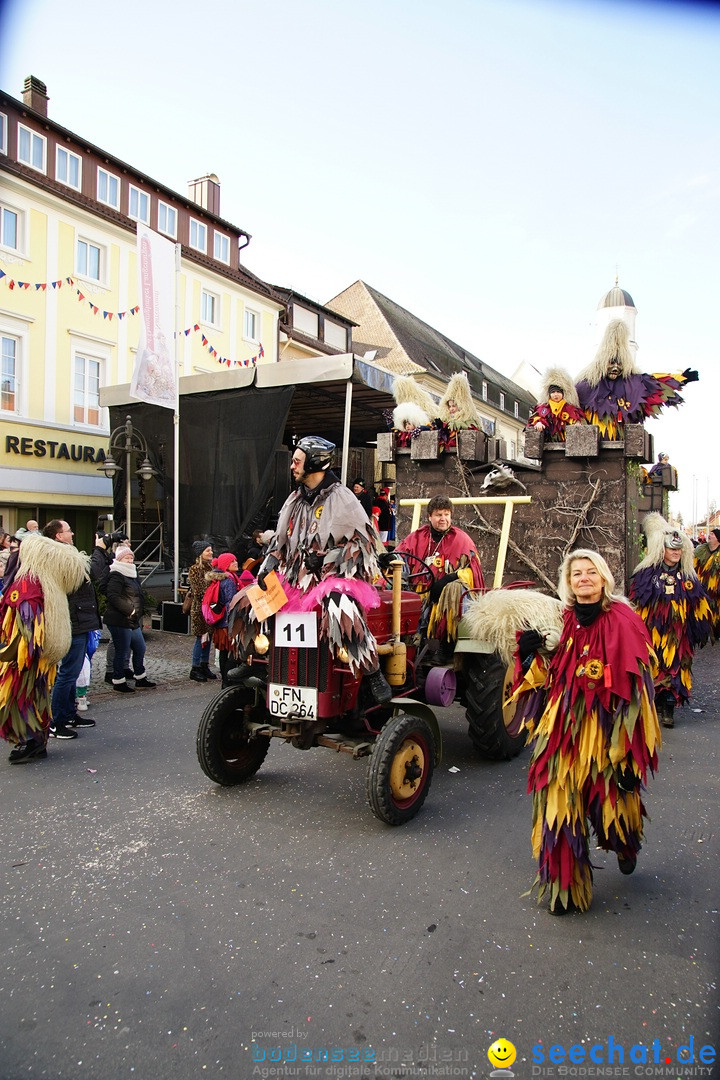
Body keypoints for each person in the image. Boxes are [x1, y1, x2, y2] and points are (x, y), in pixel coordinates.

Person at [513, 550, 661, 915]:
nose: (583, 578)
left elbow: (638, 694)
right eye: (576, 573)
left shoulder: (623, 620)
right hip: (562, 726)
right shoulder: (559, 621)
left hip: (608, 729)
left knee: (612, 803)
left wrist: (631, 754)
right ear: (568, 582)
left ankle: (626, 843)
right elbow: (542, 679)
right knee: (556, 802)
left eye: (590, 572)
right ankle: (566, 887)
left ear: (604, 578)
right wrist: (530, 655)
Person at [249, 436, 391, 702]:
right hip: (296, 578)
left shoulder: (343, 498)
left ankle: (373, 673)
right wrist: (269, 563)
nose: (292, 466)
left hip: (332, 578)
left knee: (340, 606)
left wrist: (328, 558)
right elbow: (280, 540)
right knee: (252, 599)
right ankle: (259, 663)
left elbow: (367, 544)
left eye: (297, 461)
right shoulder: (295, 499)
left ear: (314, 463)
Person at [0, 532, 88, 763]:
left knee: (20, 698)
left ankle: (30, 741)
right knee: (36, 698)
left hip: (25, 656)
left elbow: (28, 622)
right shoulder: (47, 580)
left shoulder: (30, 582)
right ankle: (35, 741)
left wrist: (20, 652)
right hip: (39, 656)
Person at [629, 514, 711, 729]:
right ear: (661, 550)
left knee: (676, 670)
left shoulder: (689, 577)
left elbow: (699, 607)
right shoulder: (646, 575)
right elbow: (636, 604)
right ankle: (653, 706)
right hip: (652, 633)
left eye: (679, 549)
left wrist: (698, 629)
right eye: (671, 549)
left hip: (678, 636)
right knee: (653, 667)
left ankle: (668, 710)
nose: (676, 552)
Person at [575, 319, 698, 440]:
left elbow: (656, 383)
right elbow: (567, 399)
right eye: (611, 363)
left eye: (619, 364)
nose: (615, 367)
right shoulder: (588, 384)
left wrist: (681, 378)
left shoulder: (634, 382)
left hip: (622, 440)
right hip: (594, 442)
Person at [394, 495, 484, 655]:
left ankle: (448, 646)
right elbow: (400, 555)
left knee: (455, 590)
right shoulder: (417, 537)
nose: (443, 519)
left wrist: (446, 580)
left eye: (446, 514)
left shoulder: (462, 539)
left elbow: (472, 570)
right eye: (438, 515)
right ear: (430, 517)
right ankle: (409, 648)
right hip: (419, 590)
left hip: (445, 594)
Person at [42, 519, 102, 738]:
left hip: (79, 619)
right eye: (68, 530)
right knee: (67, 673)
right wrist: (100, 550)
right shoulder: (59, 555)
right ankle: (56, 722)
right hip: (73, 621)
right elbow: (90, 572)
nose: (73, 533)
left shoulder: (65, 552)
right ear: (58, 536)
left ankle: (68, 714)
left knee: (72, 672)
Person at [104, 545, 156, 692]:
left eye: (131, 557)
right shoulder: (116, 574)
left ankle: (140, 676)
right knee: (121, 650)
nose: (130, 560)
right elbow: (113, 596)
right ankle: (118, 681)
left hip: (132, 620)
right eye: (127, 557)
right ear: (120, 559)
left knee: (140, 647)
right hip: (120, 619)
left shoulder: (133, 573)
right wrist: (130, 610)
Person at [203, 553, 251, 686]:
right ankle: (228, 681)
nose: (236, 562)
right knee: (232, 653)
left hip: (220, 623)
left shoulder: (221, 579)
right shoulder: (229, 580)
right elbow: (232, 602)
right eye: (232, 561)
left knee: (224, 653)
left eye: (236, 560)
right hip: (227, 624)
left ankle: (225, 681)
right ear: (226, 565)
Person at [527, 367, 586, 443]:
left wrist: (577, 423)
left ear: (563, 393)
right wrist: (538, 422)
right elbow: (538, 418)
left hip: (568, 444)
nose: (555, 395)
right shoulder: (544, 408)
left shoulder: (570, 408)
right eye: (553, 392)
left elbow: (578, 419)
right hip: (549, 444)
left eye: (558, 392)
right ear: (549, 394)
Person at [188, 541, 218, 682]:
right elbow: (198, 590)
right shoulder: (195, 569)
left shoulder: (212, 568)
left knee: (209, 638)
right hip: (200, 609)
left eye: (211, 550)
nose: (211, 553)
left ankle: (204, 664)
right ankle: (195, 667)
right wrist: (213, 594)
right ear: (200, 553)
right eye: (208, 551)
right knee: (201, 638)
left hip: (210, 608)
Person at [437, 372, 480, 449]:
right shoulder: (445, 420)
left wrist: (461, 425)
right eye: (449, 406)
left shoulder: (469, 417)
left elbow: (474, 429)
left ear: (460, 406)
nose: (451, 409)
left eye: (454, 406)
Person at [694, 528, 720, 642]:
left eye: (713, 534)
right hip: (702, 587)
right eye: (710, 534)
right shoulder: (700, 551)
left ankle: (717, 632)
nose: (709, 535)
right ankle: (702, 633)